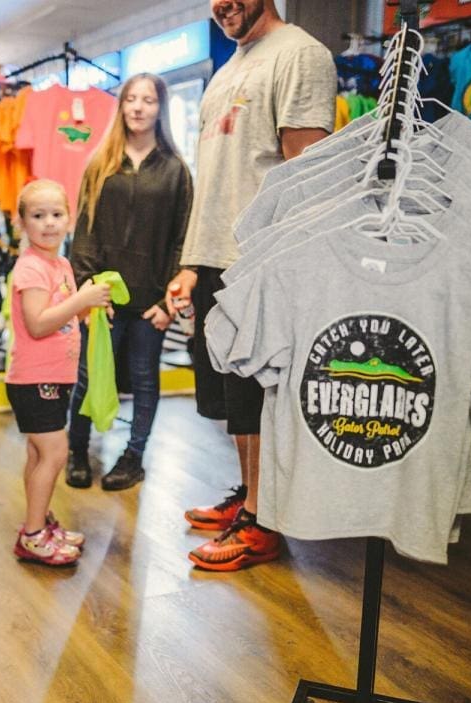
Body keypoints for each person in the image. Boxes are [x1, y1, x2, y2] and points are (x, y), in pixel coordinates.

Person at [165, 0, 337, 571]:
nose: (222, 4)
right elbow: (218, 180)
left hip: (261, 257)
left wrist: (283, 261)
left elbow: (304, 173)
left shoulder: (301, 55)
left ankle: (262, 523)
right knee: (230, 395)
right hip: (218, 256)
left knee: (258, 392)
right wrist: (193, 262)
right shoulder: (226, 71)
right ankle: (249, 495)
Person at [66, 72, 194, 491]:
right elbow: (83, 231)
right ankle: (78, 450)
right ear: (121, 107)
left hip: (151, 301)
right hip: (102, 298)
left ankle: (134, 456)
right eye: (131, 99)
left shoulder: (176, 171)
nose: (139, 107)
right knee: (88, 376)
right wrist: (87, 291)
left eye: (149, 100)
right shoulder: (100, 164)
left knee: (144, 380)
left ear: (161, 109)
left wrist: (168, 301)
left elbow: (183, 239)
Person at [6, 179, 112, 565]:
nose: (48, 223)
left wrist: (91, 306)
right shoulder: (32, 268)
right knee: (54, 452)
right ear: (22, 223)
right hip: (36, 378)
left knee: (38, 454)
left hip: (53, 377)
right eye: (38, 216)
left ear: (69, 220)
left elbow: (67, 315)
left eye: (56, 214)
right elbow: (37, 323)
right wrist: (81, 298)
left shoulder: (61, 264)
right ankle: (33, 535)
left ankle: (39, 521)